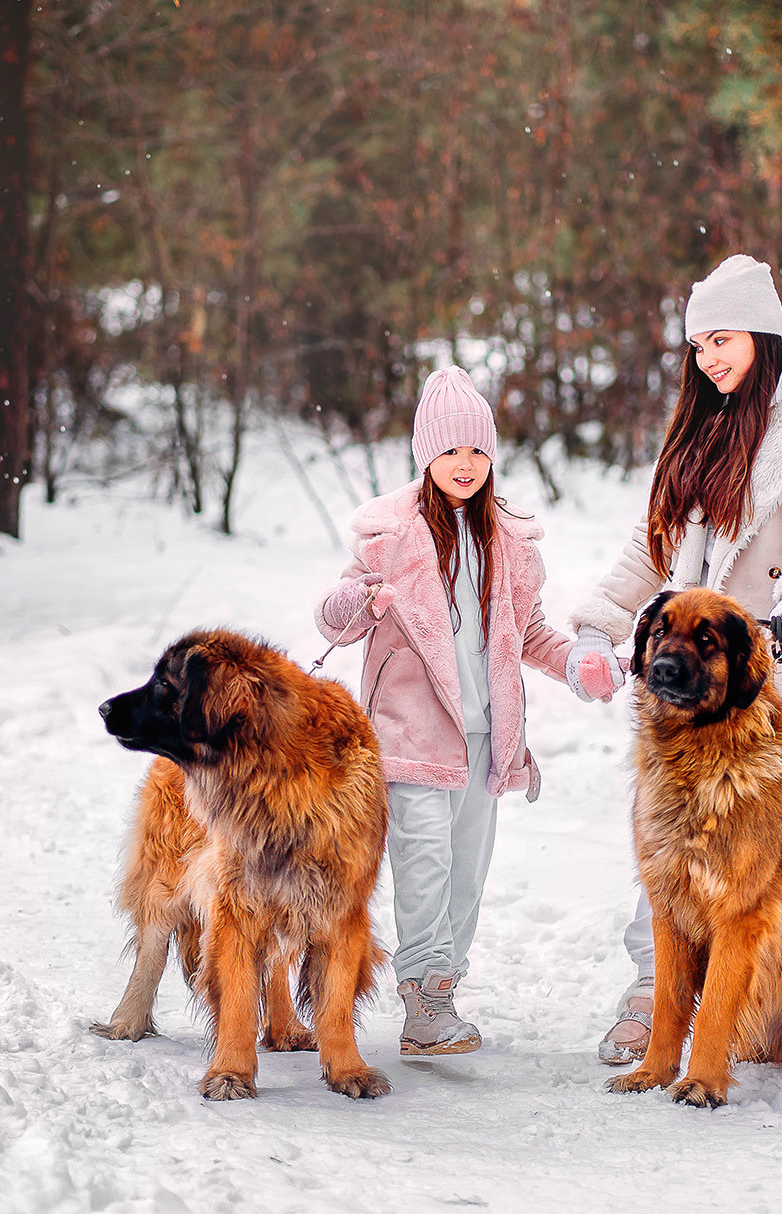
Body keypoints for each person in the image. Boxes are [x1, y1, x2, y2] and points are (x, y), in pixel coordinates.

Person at [564, 253, 782, 1065]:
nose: (710, 358)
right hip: (687, 670)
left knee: (746, 848)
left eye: (724, 338)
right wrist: (598, 624)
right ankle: (656, 992)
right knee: (668, 832)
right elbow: (650, 548)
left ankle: (757, 993)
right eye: (698, 344)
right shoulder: (700, 428)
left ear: (764, 336)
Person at [315, 366, 617, 1056]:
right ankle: (421, 1000)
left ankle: (444, 991)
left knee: (467, 874)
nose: (466, 464)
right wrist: (358, 600)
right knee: (426, 864)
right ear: (427, 455)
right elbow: (336, 622)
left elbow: (530, 632)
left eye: (478, 451)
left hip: (487, 737)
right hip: (410, 733)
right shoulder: (388, 538)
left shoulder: (506, 542)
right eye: (451, 451)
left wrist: (575, 664)